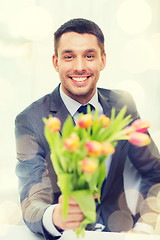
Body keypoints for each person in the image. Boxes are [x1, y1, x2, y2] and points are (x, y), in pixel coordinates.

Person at [15, 18, 160, 240]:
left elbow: (154, 171)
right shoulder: (31, 119)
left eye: (89, 56)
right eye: (69, 56)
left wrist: (144, 226)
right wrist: (55, 217)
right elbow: (31, 198)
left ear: (103, 60)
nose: (80, 67)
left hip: (119, 233)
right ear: (56, 62)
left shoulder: (122, 104)